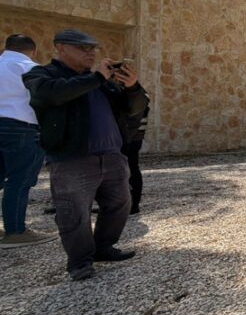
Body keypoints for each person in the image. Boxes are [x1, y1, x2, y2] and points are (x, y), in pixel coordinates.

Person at [23, 29, 149, 280]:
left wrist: (133, 87)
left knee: (120, 204)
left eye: (93, 48)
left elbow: (134, 108)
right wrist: (98, 77)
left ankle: (104, 247)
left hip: (112, 156)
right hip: (73, 159)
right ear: (61, 47)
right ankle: (80, 261)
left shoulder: (101, 82)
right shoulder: (43, 75)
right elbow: (54, 94)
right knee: (74, 213)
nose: (91, 53)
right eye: (83, 48)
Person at [0, 34, 56, 248]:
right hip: (21, 127)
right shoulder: (31, 69)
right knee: (19, 180)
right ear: (33, 51)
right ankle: (15, 231)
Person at [122, 103, 149, 215]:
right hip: (132, 136)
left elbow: (134, 119)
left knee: (131, 168)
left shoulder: (136, 95)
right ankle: (127, 204)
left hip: (131, 137)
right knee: (130, 167)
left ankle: (133, 205)